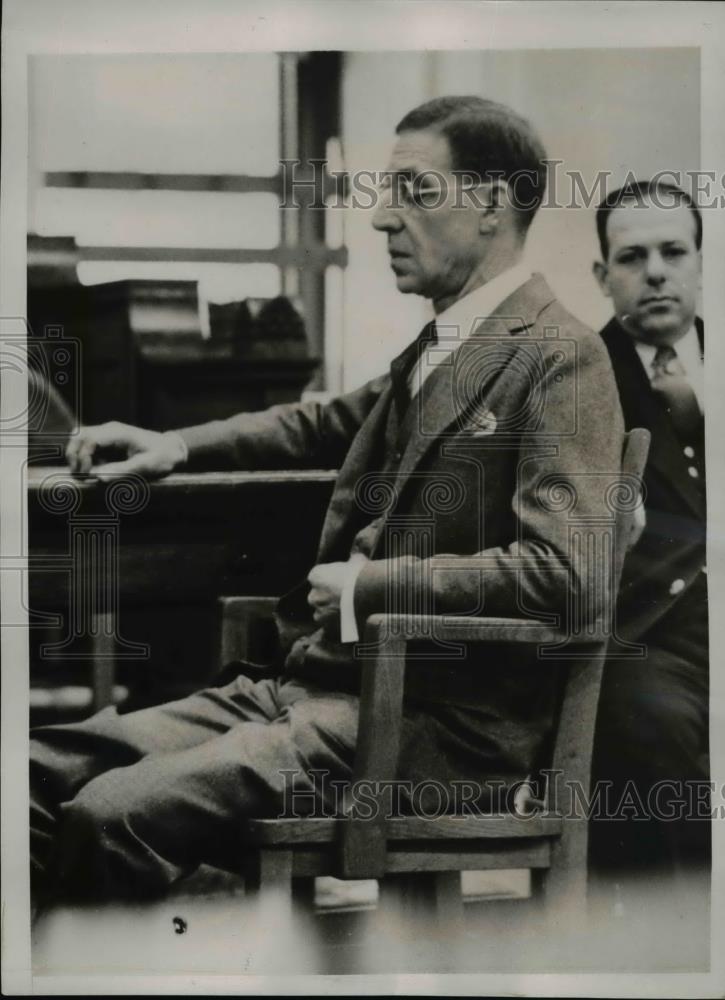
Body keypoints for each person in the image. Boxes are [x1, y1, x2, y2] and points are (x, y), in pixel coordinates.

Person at [30, 96, 624, 905]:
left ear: (490, 203)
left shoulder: (563, 357)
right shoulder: (445, 343)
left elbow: (567, 574)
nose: (382, 218)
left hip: (431, 724)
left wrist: (373, 587)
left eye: (414, 191)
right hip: (314, 689)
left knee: (110, 816)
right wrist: (175, 445)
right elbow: (318, 422)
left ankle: (189, 945)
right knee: (30, 776)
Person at [588, 180, 708, 895]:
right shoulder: (575, 376)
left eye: (674, 251)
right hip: (645, 639)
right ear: (602, 276)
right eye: (632, 256)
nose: (656, 271)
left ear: (699, 261)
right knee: (651, 730)